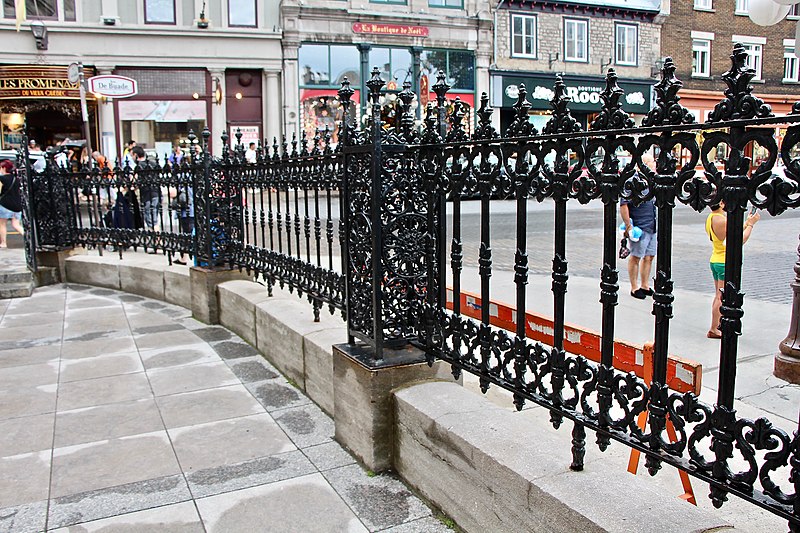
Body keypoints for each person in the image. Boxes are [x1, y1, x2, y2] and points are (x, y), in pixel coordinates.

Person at [706, 201, 760, 339]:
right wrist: (751, 225)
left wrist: (746, 223)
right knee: (721, 296)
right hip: (724, 261)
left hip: (716, 258)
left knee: (718, 295)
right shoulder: (722, 219)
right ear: (722, 204)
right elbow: (738, 240)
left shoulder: (712, 217)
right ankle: (714, 328)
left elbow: (730, 232)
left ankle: (715, 326)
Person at [620, 196, 657, 299]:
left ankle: (644, 285)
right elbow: (623, 204)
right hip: (639, 227)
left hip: (652, 226)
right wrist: (628, 225)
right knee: (636, 256)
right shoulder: (630, 182)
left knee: (649, 256)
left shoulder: (650, 182)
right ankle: (634, 287)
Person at [131, 146, 160, 238]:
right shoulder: (153, 163)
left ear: (136, 155)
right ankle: (157, 240)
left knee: (151, 219)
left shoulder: (139, 166)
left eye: (132, 155)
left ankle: (158, 240)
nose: (132, 158)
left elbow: (134, 182)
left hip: (147, 194)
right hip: (156, 192)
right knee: (154, 216)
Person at [0, 160, 24, 248]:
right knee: (16, 225)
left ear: (4, 168)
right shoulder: (16, 179)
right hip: (17, 204)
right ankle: (27, 238)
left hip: (5, 204)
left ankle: (3, 243)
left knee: (2, 224)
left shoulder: (2, 179)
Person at [170, 185, 194, 265]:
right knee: (190, 234)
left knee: (187, 235)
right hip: (195, 209)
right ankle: (185, 256)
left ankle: (184, 258)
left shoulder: (181, 176)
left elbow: (172, 193)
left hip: (187, 211)